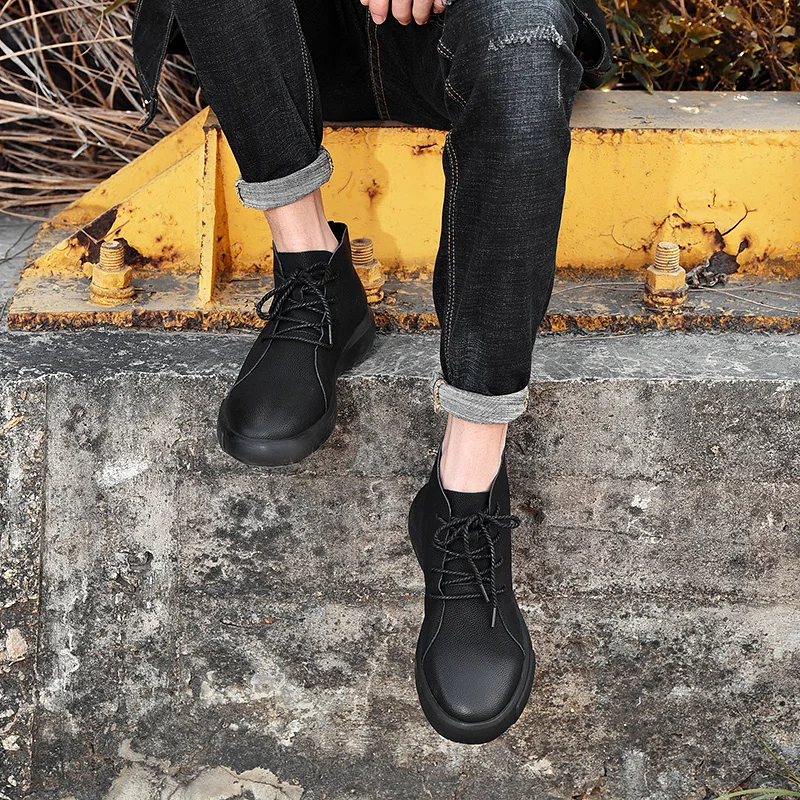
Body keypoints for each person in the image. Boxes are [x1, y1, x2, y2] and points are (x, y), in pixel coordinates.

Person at [131, 0, 613, 744]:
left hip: (472, 36)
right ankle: (311, 267)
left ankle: (466, 488)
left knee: (521, 33)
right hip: (297, 40)